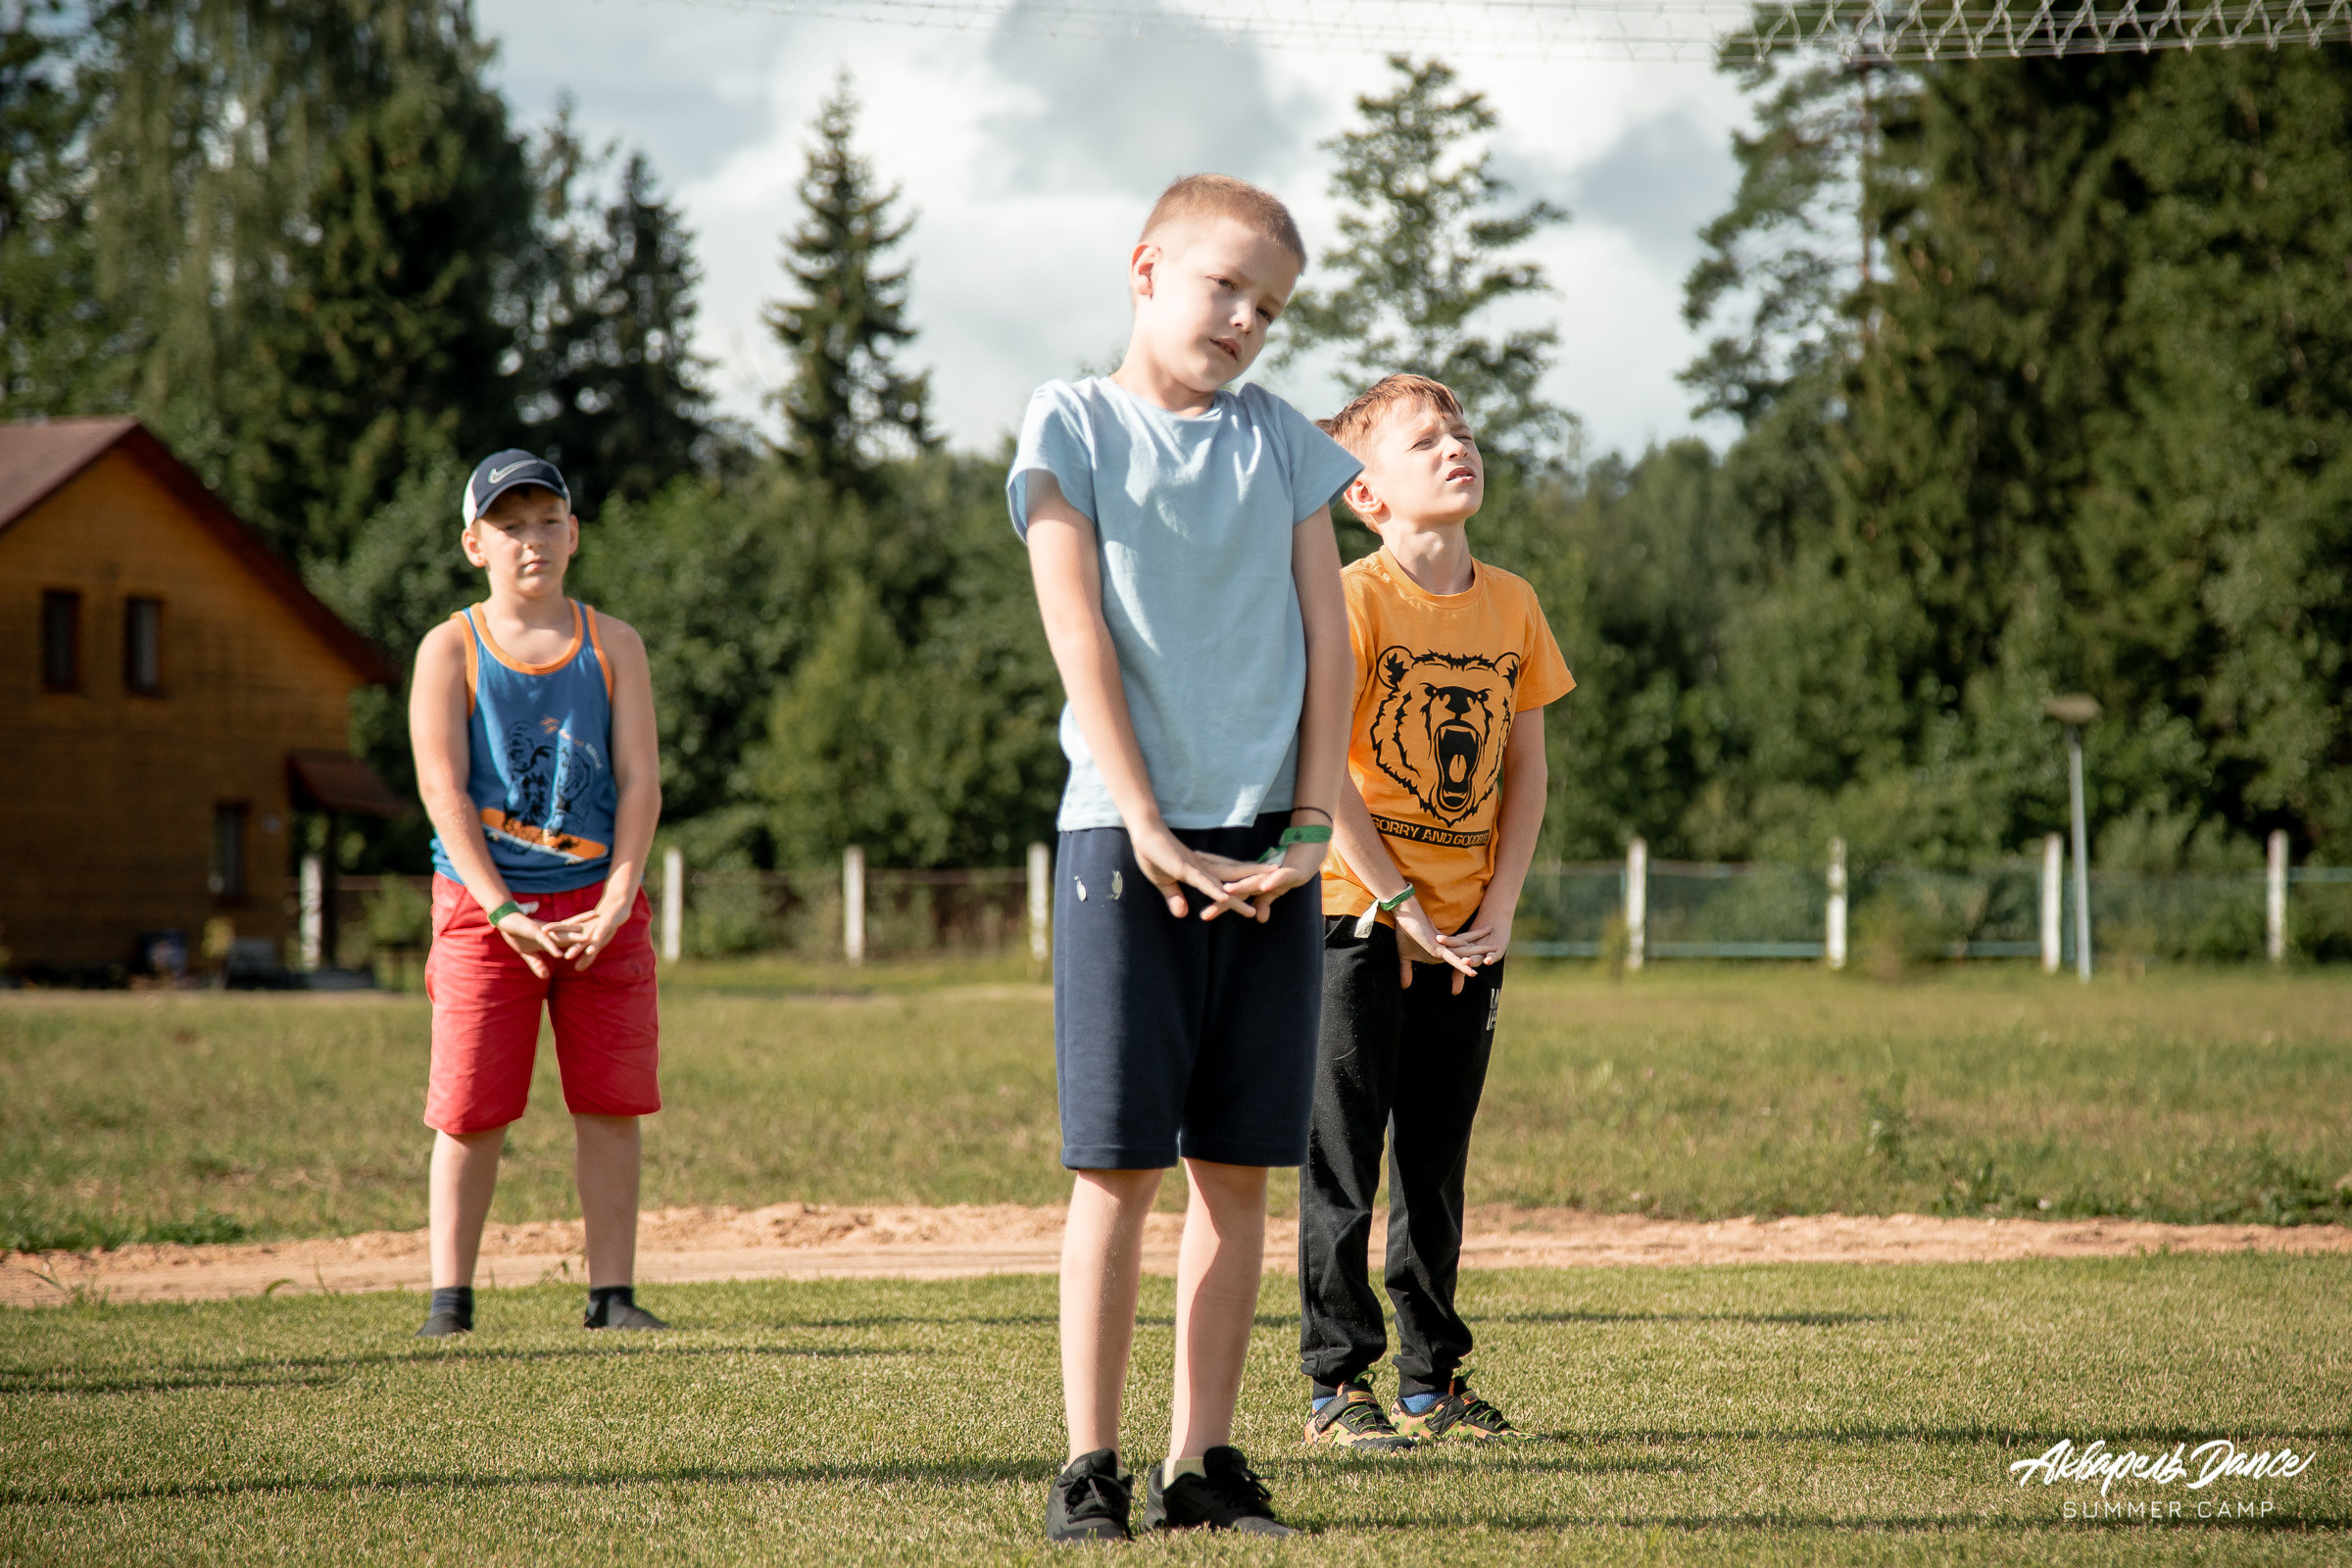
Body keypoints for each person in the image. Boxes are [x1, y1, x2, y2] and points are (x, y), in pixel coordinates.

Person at [1011, 173, 1359, 1542]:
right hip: (1124, 838)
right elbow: (1076, 630)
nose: (1246, 322)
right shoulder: (1071, 420)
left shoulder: (1285, 444)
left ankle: (1200, 1465)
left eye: (1271, 307)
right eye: (1227, 287)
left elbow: (1330, 640)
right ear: (1147, 267)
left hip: (1270, 851)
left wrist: (1313, 825)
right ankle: (1088, 1467)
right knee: (1117, 1170)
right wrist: (1147, 815)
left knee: (1238, 1170)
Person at [1297, 375, 1575, 1450]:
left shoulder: (1514, 603)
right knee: (1343, 1161)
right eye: (1424, 440)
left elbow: (1528, 771)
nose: (1456, 446)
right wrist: (1398, 902)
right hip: (1354, 919)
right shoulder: (1352, 601)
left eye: (1459, 431)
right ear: (1366, 495)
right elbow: (1324, 772)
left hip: (1468, 932)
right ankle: (1337, 1385)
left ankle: (1431, 1382)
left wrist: (1499, 906)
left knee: (1434, 1165)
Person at [407, 452, 667, 1339]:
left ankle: (612, 1297)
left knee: (611, 1105)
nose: (532, 541)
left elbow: (640, 781)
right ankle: (450, 1305)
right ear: (473, 544)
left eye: (548, 521)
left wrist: (620, 895)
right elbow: (442, 790)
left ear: (574, 534)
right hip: (485, 912)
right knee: (470, 1112)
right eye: (510, 526)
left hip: (600, 906)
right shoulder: (449, 648)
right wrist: (502, 910)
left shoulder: (615, 644)